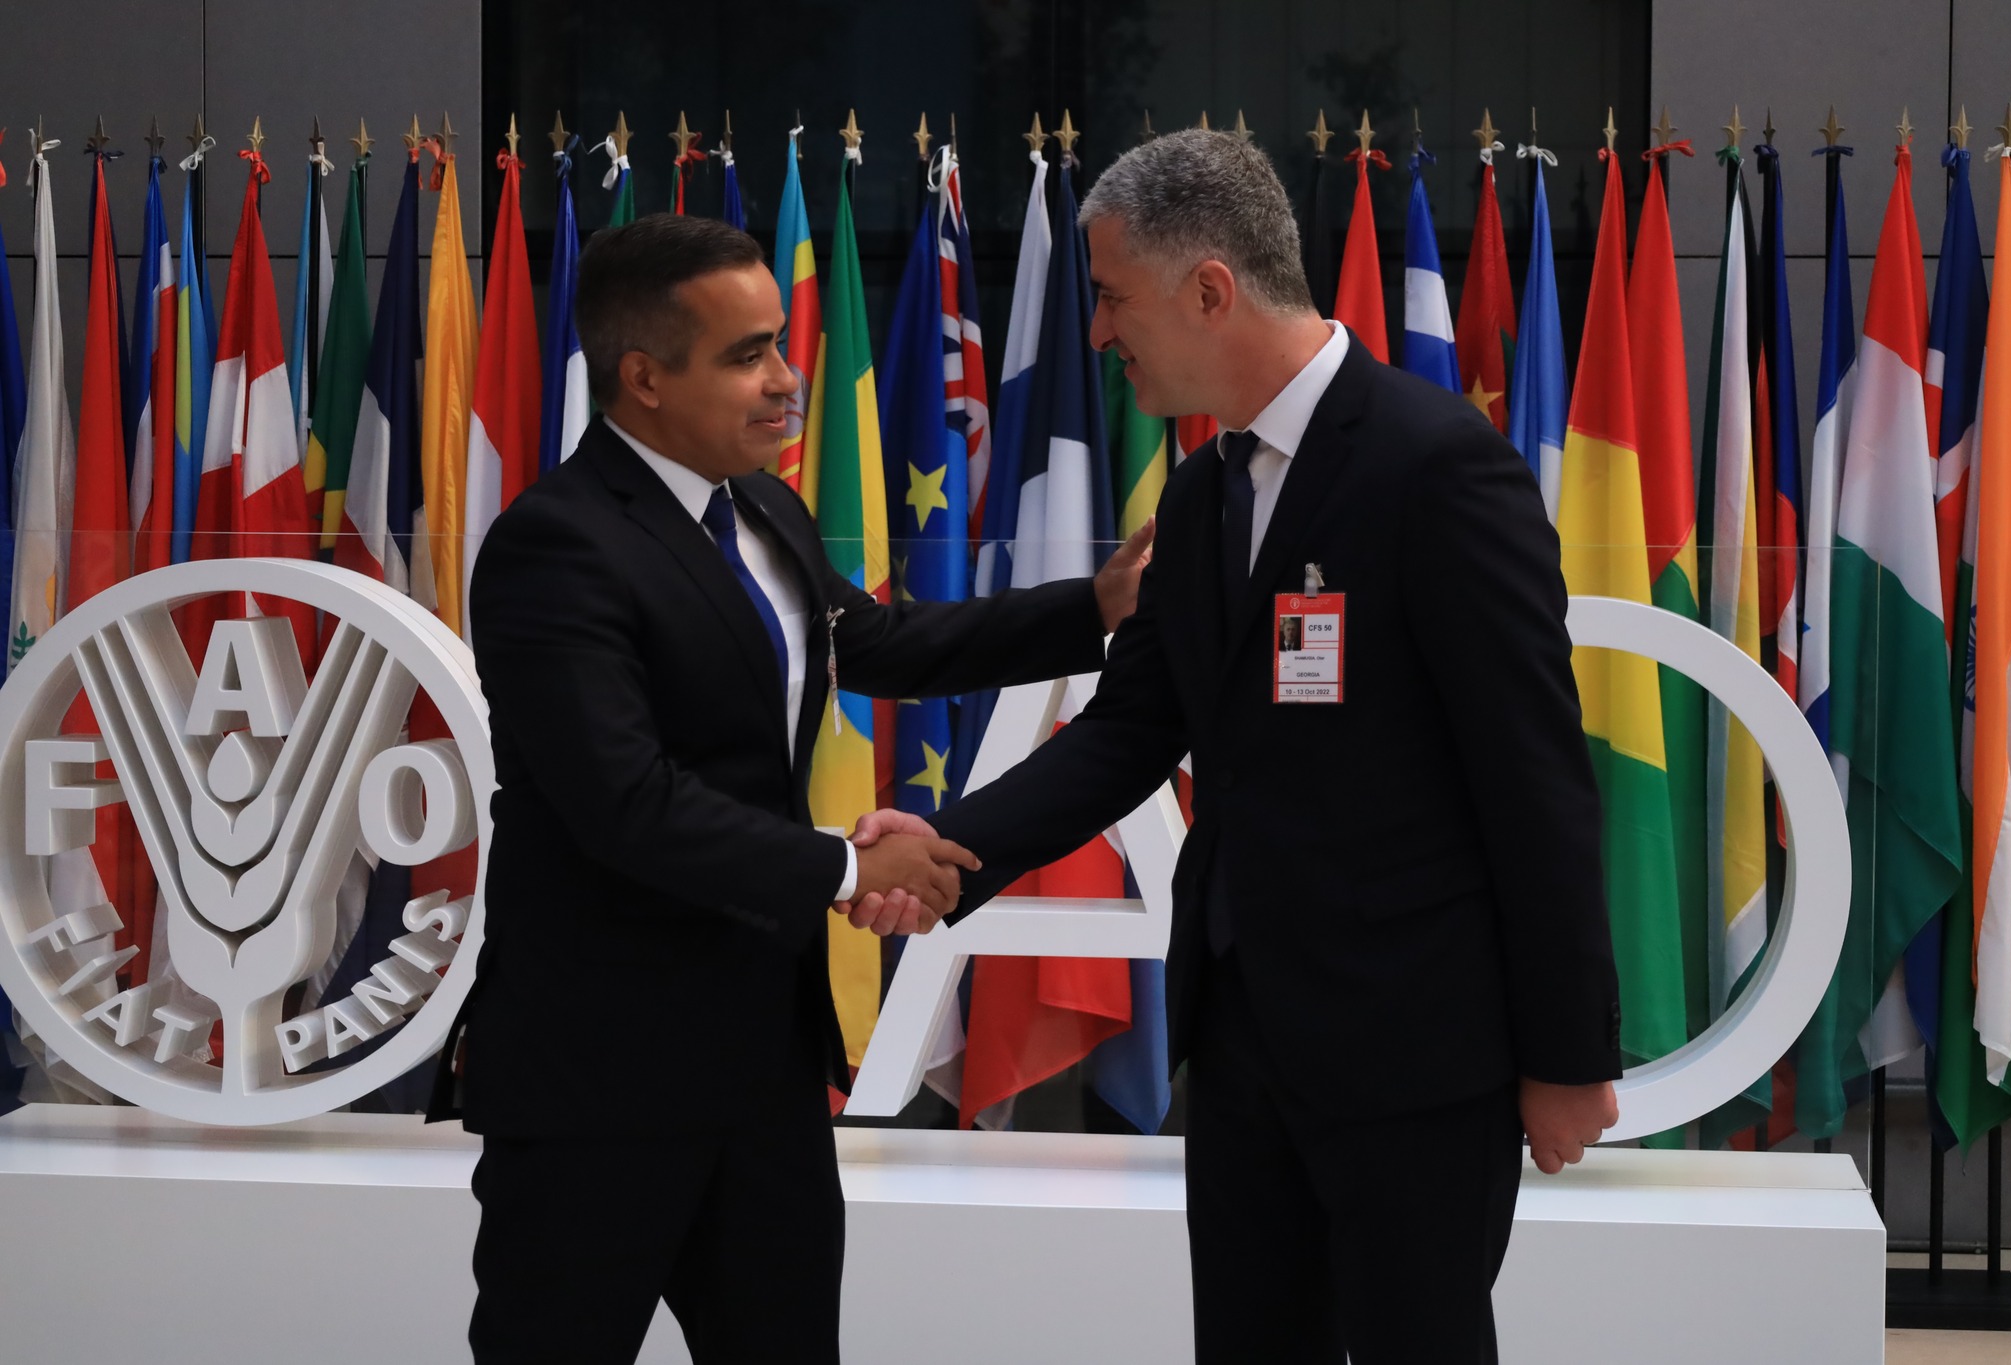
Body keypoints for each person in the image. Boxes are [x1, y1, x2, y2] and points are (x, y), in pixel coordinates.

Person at [849, 130, 1621, 1363]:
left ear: (1209, 290)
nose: (1098, 331)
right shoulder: (1203, 493)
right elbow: (1130, 729)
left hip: (1416, 1049)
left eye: (1112, 297)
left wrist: (1567, 1056)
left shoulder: (1436, 467)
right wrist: (950, 846)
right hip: (1243, 1036)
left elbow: (1533, 781)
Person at [433, 212, 1152, 1365]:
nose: (785, 380)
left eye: (778, 343)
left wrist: (1092, 607)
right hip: (598, 1077)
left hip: (763, 1062)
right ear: (643, 378)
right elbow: (626, 804)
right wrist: (849, 867)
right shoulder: (554, 545)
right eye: (747, 354)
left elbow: (873, 643)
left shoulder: (760, 504)